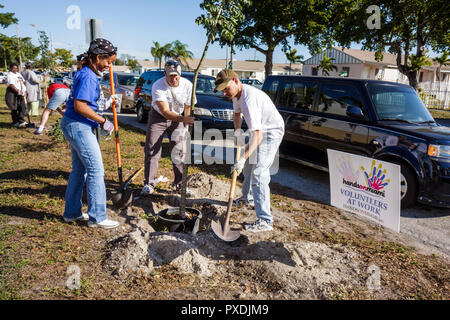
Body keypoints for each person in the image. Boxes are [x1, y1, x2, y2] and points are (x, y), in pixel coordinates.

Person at [214, 69, 285, 232]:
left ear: (236, 81)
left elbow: (258, 136)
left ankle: (265, 220)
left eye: (226, 88)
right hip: (260, 131)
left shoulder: (249, 100)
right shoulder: (236, 95)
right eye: (222, 90)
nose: (225, 92)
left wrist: (242, 158)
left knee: (259, 172)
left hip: (271, 132)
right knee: (248, 168)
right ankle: (248, 198)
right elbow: (237, 114)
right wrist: (237, 132)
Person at [61, 38, 119, 229]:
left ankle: (72, 213)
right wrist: (103, 121)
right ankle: (98, 217)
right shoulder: (88, 76)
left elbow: (87, 103)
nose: (108, 66)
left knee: (79, 170)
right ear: (97, 57)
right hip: (79, 125)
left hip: (75, 124)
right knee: (95, 170)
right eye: (108, 62)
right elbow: (80, 106)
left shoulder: (86, 73)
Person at [141, 60, 195, 196]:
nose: (173, 78)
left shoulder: (188, 85)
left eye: (176, 75)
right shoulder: (158, 85)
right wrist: (183, 119)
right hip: (158, 117)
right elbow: (165, 111)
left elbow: (188, 106)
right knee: (152, 148)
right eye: (170, 75)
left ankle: (180, 184)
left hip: (178, 118)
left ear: (180, 74)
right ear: (165, 73)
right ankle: (149, 183)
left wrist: (186, 122)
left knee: (179, 150)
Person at [34, 55, 86, 135]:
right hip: (68, 92)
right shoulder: (62, 85)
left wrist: (58, 111)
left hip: (59, 92)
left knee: (47, 110)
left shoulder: (50, 88)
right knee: (72, 109)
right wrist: (63, 112)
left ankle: (40, 128)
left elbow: (53, 105)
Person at [5, 63, 27, 127]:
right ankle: (15, 122)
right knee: (13, 107)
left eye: (16, 68)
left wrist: (24, 89)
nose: (15, 69)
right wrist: (18, 91)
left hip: (21, 92)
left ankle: (21, 120)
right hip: (12, 92)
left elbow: (23, 81)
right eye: (14, 68)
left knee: (22, 106)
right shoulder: (10, 75)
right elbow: (11, 85)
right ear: (11, 68)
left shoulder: (18, 74)